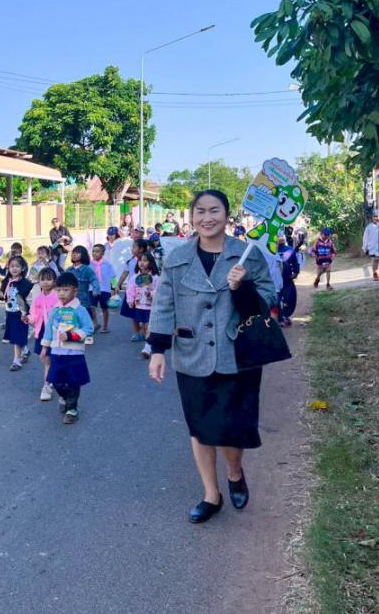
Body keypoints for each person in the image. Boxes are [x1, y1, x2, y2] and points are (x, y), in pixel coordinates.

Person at [147, 190, 276, 524]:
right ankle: (211, 495)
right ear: (192, 216)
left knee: (232, 427)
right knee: (200, 427)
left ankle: (234, 472)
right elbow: (164, 304)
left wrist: (243, 287)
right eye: (200, 211)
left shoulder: (247, 255)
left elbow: (267, 299)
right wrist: (157, 349)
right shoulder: (177, 258)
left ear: (226, 215)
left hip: (237, 355)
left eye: (214, 210)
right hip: (192, 355)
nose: (207, 218)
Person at [41, 272, 95, 424]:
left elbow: (89, 328)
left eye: (65, 290)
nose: (61, 293)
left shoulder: (80, 310)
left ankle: (72, 409)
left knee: (73, 381)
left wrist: (72, 335)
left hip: (74, 353)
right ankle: (64, 398)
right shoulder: (55, 310)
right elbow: (49, 329)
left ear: (75, 291)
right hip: (57, 352)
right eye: (58, 290)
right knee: (56, 381)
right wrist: (45, 347)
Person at [25, 267, 59, 401]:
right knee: (44, 358)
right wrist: (27, 319)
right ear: (38, 281)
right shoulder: (38, 298)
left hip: (56, 333)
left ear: (54, 281)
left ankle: (47, 385)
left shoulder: (58, 296)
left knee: (50, 359)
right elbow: (33, 316)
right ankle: (51, 378)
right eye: (42, 279)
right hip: (42, 331)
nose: (45, 282)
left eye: (49, 279)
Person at [0, 255, 34, 370]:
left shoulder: (25, 282)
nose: (14, 268)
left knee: (17, 337)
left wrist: (26, 313)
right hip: (10, 312)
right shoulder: (6, 281)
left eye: (17, 266)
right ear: (8, 268)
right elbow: (3, 296)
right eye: (12, 266)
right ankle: (25, 351)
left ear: (22, 268)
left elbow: (24, 295)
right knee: (15, 336)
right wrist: (0, 294)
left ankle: (16, 361)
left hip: (21, 313)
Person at [126, 252, 160, 357]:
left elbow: (159, 290)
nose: (141, 263)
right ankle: (149, 343)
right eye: (140, 260)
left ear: (151, 262)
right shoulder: (135, 277)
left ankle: (147, 348)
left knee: (149, 326)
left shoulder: (155, 277)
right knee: (144, 327)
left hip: (151, 306)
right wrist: (130, 300)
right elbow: (130, 289)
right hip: (139, 306)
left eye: (145, 260)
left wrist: (151, 293)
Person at [117, 238, 150, 341]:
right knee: (133, 313)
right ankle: (137, 332)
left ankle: (145, 331)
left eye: (134, 247)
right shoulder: (130, 261)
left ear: (141, 249)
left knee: (145, 313)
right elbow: (124, 273)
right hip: (132, 292)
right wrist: (118, 285)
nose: (132, 249)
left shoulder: (149, 261)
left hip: (144, 292)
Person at [65, 245, 100, 325]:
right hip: (69, 301)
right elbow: (62, 282)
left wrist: (96, 289)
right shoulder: (68, 270)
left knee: (84, 323)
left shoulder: (87, 270)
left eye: (77, 253)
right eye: (73, 253)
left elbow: (94, 280)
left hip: (83, 301)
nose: (74, 254)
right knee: (70, 324)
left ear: (83, 255)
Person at [90, 243, 117, 333]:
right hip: (92, 289)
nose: (94, 253)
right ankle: (95, 323)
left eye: (97, 251)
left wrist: (114, 288)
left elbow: (112, 276)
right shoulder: (89, 264)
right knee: (91, 307)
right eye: (93, 251)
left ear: (102, 253)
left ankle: (105, 326)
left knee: (104, 308)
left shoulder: (107, 264)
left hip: (104, 289)